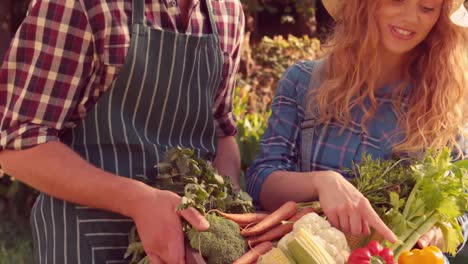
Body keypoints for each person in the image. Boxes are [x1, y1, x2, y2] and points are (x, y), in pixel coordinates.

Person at [0, 0, 244, 263]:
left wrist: (222, 218)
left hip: (186, 252)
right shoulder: (82, 5)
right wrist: (138, 200)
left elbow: (221, 133)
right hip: (88, 244)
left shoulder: (226, 11)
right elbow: (17, 142)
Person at [246, 0, 468, 260]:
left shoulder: (446, 103)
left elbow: (460, 212)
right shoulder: (303, 83)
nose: (410, 18)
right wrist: (322, 182)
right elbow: (260, 180)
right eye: (397, 0)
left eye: (427, 8)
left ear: (439, 18)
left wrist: (433, 232)